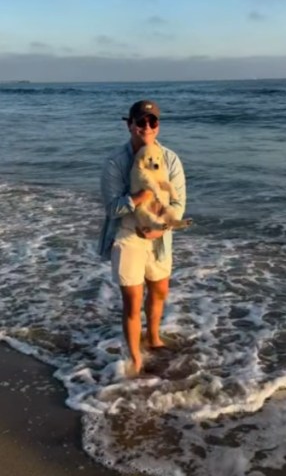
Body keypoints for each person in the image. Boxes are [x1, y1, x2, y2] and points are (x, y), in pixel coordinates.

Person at [98, 100, 187, 376]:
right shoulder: (116, 162)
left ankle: (154, 338)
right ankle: (135, 358)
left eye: (152, 122)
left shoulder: (170, 159)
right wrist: (140, 197)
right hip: (127, 236)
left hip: (160, 235)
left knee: (160, 291)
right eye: (140, 122)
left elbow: (179, 201)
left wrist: (162, 229)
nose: (146, 127)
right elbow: (112, 208)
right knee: (133, 300)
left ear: (158, 126)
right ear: (130, 125)